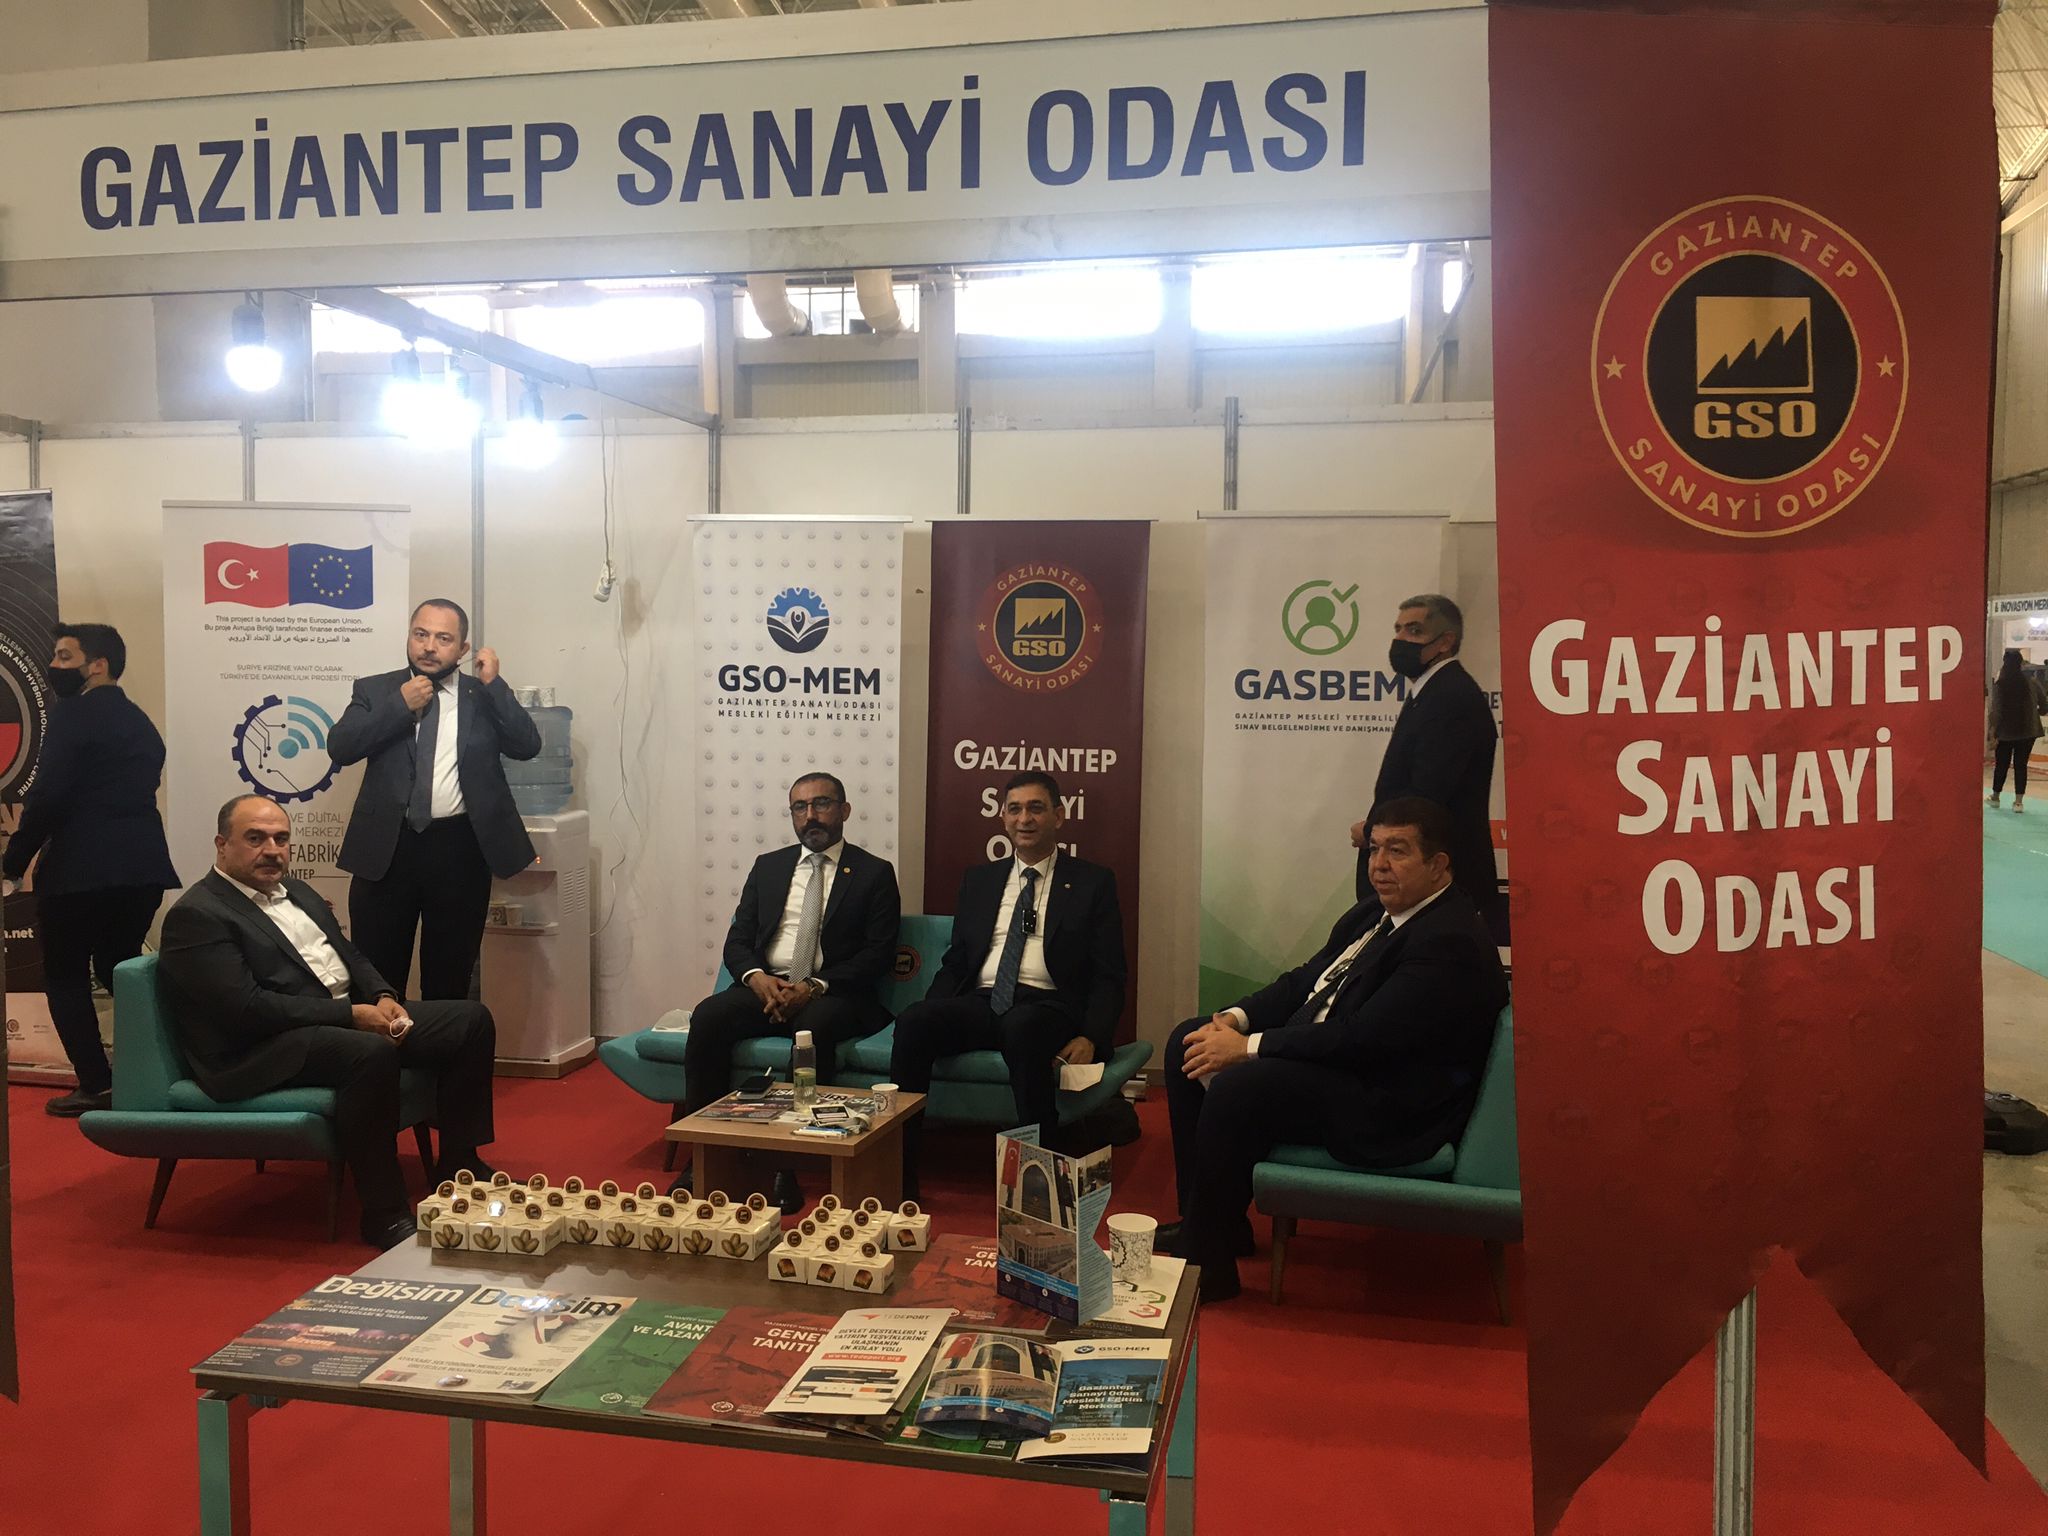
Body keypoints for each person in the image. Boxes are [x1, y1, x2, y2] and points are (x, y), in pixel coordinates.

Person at [1159, 797, 1508, 1301]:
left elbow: (1367, 1037)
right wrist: (1235, 1019)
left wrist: (1250, 1047)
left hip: (1392, 1101)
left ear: (1438, 865)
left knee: (1242, 1085)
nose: (1379, 865)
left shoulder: (1447, 939)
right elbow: (1307, 980)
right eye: (1374, 849)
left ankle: (1206, 1266)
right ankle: (1212, 1225)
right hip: (1345, 1065)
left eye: (1398, 851)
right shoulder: (1376, 910)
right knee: (1188, 1043)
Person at [156, 795, 498, 1248]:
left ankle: (459, 1164)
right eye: (255, 839)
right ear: (222, 845)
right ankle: (384, 1213)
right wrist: (350, 1016)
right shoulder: (198, 915)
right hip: (255, 1049)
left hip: (329, 1019)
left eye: (281, 839)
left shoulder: (296, 890)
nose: (272, 850)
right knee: (369, 1052)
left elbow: (350, 955)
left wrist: (383, 996)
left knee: (469, 1021)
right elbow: (246, 1009)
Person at [892, 772, 1127, 1189]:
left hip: (1048, 1005)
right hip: (984, 1000)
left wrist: (1092, 1036)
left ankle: (1041, 1180)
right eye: (1014, 809)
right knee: (913, 1022)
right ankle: (898, 1171)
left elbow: (1109, 972)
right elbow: (957, 960)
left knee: (1022, 1026)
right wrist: (932, 1008)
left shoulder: (1092, 882)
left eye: (1036, 808)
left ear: (1059, 816)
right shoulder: (979, 880)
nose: (1024, 819)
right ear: (1003, 818)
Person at [0, 623, 178, 1116]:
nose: (53, 666)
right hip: (142, 868)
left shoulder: (73, 714)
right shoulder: (141, 722)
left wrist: (13, 861)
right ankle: (157, 1073)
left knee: (65, 977)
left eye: (64, 657)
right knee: (124, 972)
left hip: (79, 871)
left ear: (97, 665)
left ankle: (96, 1085)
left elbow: (48, 795)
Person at [327, 598, 542, 1001]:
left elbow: (527, 745)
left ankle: (444, 1045)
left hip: (459, 850)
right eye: (421, 634)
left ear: (462, 649)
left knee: (449, 980)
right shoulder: (376, 689)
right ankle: (384, 1044)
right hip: (387, 849)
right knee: (377, 979)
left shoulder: (481, 695)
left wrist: (495, 685)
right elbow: (341, 747)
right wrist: (399, 706)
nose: (429, 646)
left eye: (443, 639)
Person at [680, 772, 901, 1119]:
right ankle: (705, 1137)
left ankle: (791, 1140)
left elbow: (878, 954)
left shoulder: (874, 873)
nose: (810, 815)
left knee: (813, 1027)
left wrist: (812, 986)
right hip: (769, 988)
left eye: (821, 804)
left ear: (844, 810)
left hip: (834, 995)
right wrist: (756, 978)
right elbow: (738, 940)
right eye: (800, 807)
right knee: (709, 1016)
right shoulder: (768, 867)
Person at [1349, 594, 1501, 938]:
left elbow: (1427, 795)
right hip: (1421, 882)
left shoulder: (1451, 698)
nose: (1400, 639)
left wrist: (1372, 830)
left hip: (1438, 883)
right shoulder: (1431, 692)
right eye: (1398, 629)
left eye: (1414, 631)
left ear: (1445, 642)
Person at [1987, 648, 2048, 812]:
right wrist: (2039, 711)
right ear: (2021, 664)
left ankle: (1995, 797)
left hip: (2005, 732)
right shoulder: (2032, 682)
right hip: (2028, 731)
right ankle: (2018, 802)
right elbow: (2044, 704)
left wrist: (1993, 732)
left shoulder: (2000, 685)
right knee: (2021, 765)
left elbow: (1997, 711)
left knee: (2001, 765)